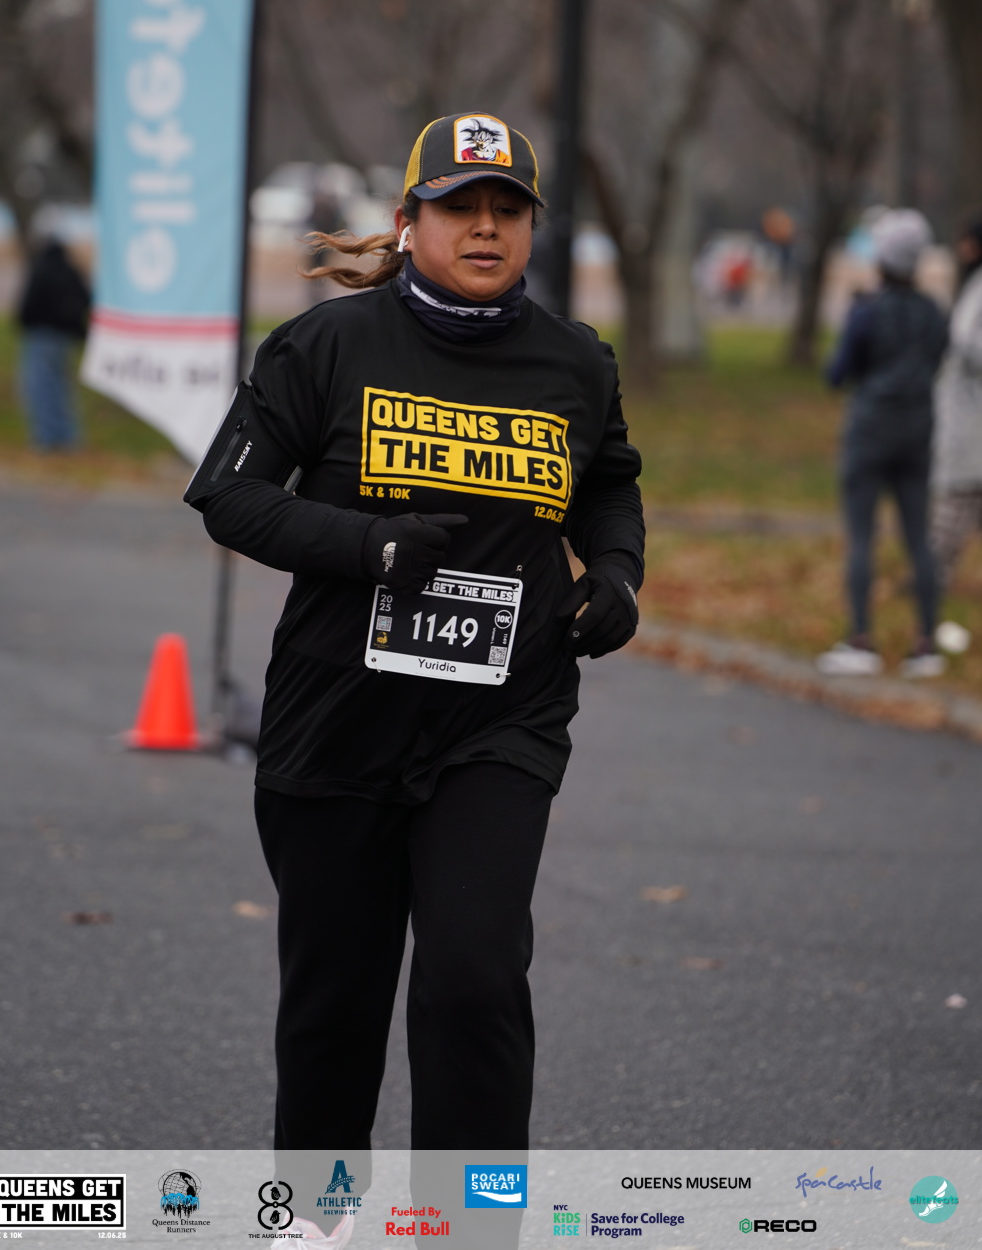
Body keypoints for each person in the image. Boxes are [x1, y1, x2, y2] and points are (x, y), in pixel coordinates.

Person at [185, 114, 644, 1213]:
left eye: (507, 209)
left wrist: (618, 573)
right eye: (459, 206)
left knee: (477, 978)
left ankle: (472, 1222)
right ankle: (318, 1216)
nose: (485, 227)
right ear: (408, 220)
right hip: (338, 717)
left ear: (531, 225)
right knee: (335, 1006)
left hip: (500, 718)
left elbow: (608, 481)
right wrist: (369, 545)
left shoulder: (576, 361)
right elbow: (227, 493)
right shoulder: (326, 345)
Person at [817, 209, 947, 678]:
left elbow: (837, 373)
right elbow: (938, 359)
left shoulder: (868, 310)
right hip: (918, 427)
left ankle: (861, 640)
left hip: (871, 428)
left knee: (862, 536)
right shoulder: (935, 313)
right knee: (919, 537)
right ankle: (926, 643)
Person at [930, 221, 982, 600]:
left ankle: (932, 574)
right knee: (962, 495)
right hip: (965, 410)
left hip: (971, 412)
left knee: (956, 495)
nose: (962, 249)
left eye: (967, 242)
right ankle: (934, 573)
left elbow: (965, 340)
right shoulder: (973, 284)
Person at [16, 235, 91, 450]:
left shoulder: (41, 270)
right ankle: (69, 437)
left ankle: (48, 438)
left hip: (41, 336)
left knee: (40, 387)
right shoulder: (71, 271)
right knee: (61, 388)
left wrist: (25, 323)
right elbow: (86, 299)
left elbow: (28, 305)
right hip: (65, 338)